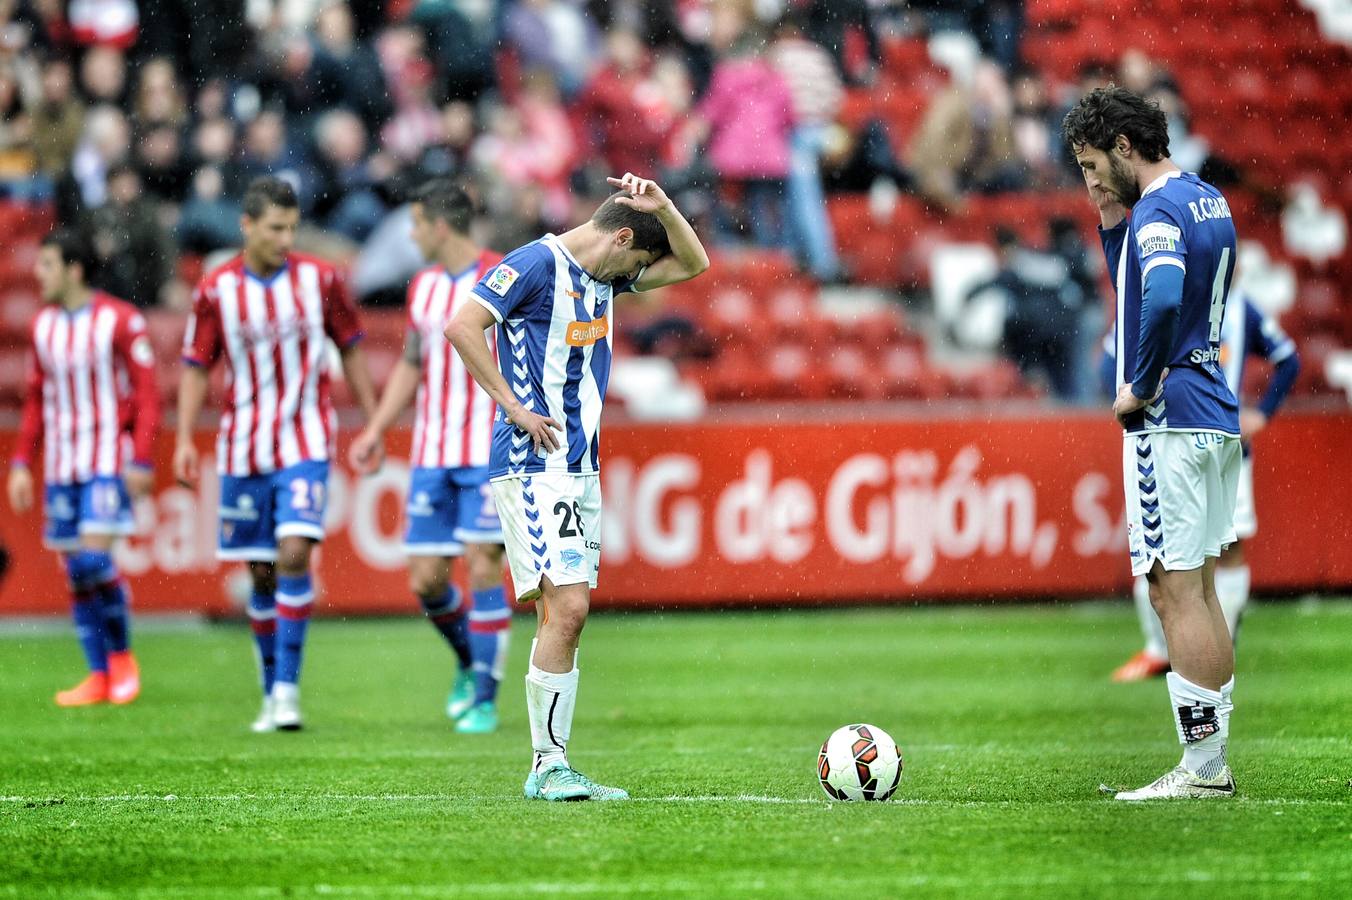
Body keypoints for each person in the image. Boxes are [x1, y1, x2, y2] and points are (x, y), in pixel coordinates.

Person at [446, 173, 708, 801]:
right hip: (534, 461)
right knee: (569, 607)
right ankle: (548, 765)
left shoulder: (607, 276)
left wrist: (664, 206)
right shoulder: (535, 265)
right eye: (639, 261)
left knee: (559, 613)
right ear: (622, 239)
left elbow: (693, 264)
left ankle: (550, 764)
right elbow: (462, 326)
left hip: (579, 465)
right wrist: (513, 406)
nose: (639, 276)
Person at [1065, 86, 1243, 800]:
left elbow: (1163, 296)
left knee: (1173, 592)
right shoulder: (1205, 199)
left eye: (1092, 164)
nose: (1090, 179)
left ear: (1124, 145)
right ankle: (1211, 761)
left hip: (1169, 419)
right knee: (1200, 589)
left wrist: (1138, 384)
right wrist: (1112, 223)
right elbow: (1141, 283)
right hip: (1214, 410)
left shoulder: (1160, 210)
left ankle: (1202, 770)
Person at [174, 176, 381, 732]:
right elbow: (196, 365)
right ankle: (270, 689)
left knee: (293, 553)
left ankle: (287, 691)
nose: (286, 239)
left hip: (305, 439)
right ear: (247, 226)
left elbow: (351, 347)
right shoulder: (216, 289)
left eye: (292, 228)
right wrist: (184, 439)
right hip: (243, 446)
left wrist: (373, 421)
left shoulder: (321, 279)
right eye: (274, 229)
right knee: (261, 572)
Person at [349, 180, 511, 734]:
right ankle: (470, 661)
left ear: (441, 227)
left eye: (416, 225)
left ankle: (485, 698)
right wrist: (376, 428)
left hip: (487, 448)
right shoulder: (422, 285)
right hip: (431, 451)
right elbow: (412, 363)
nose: (411, 236)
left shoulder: (502, 275)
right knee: (425, 581)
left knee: (483, 563)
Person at [1106, 292, 1300, 681]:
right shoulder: (1169, 294)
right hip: (1194, 436)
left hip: (1197, 439)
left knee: (1204, 551)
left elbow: (1289, 360)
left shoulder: (1235, 305)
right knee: (1182, 556)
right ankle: (1168, 650)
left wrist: (1262, 414)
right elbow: (1109, 358)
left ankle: (1208, 649)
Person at [7, 230, 158, 706]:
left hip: (106, 459)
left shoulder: (121, 320)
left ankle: (122, 659)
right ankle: (97, 674)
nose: (38, 274)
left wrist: (141, 457)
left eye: (47, 264)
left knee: (94, 560)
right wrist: (21, 462)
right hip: (61, 464)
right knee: (76, 572)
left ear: (74, 270)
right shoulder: (42, 326)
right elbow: (37, 399)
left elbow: (147, 394)